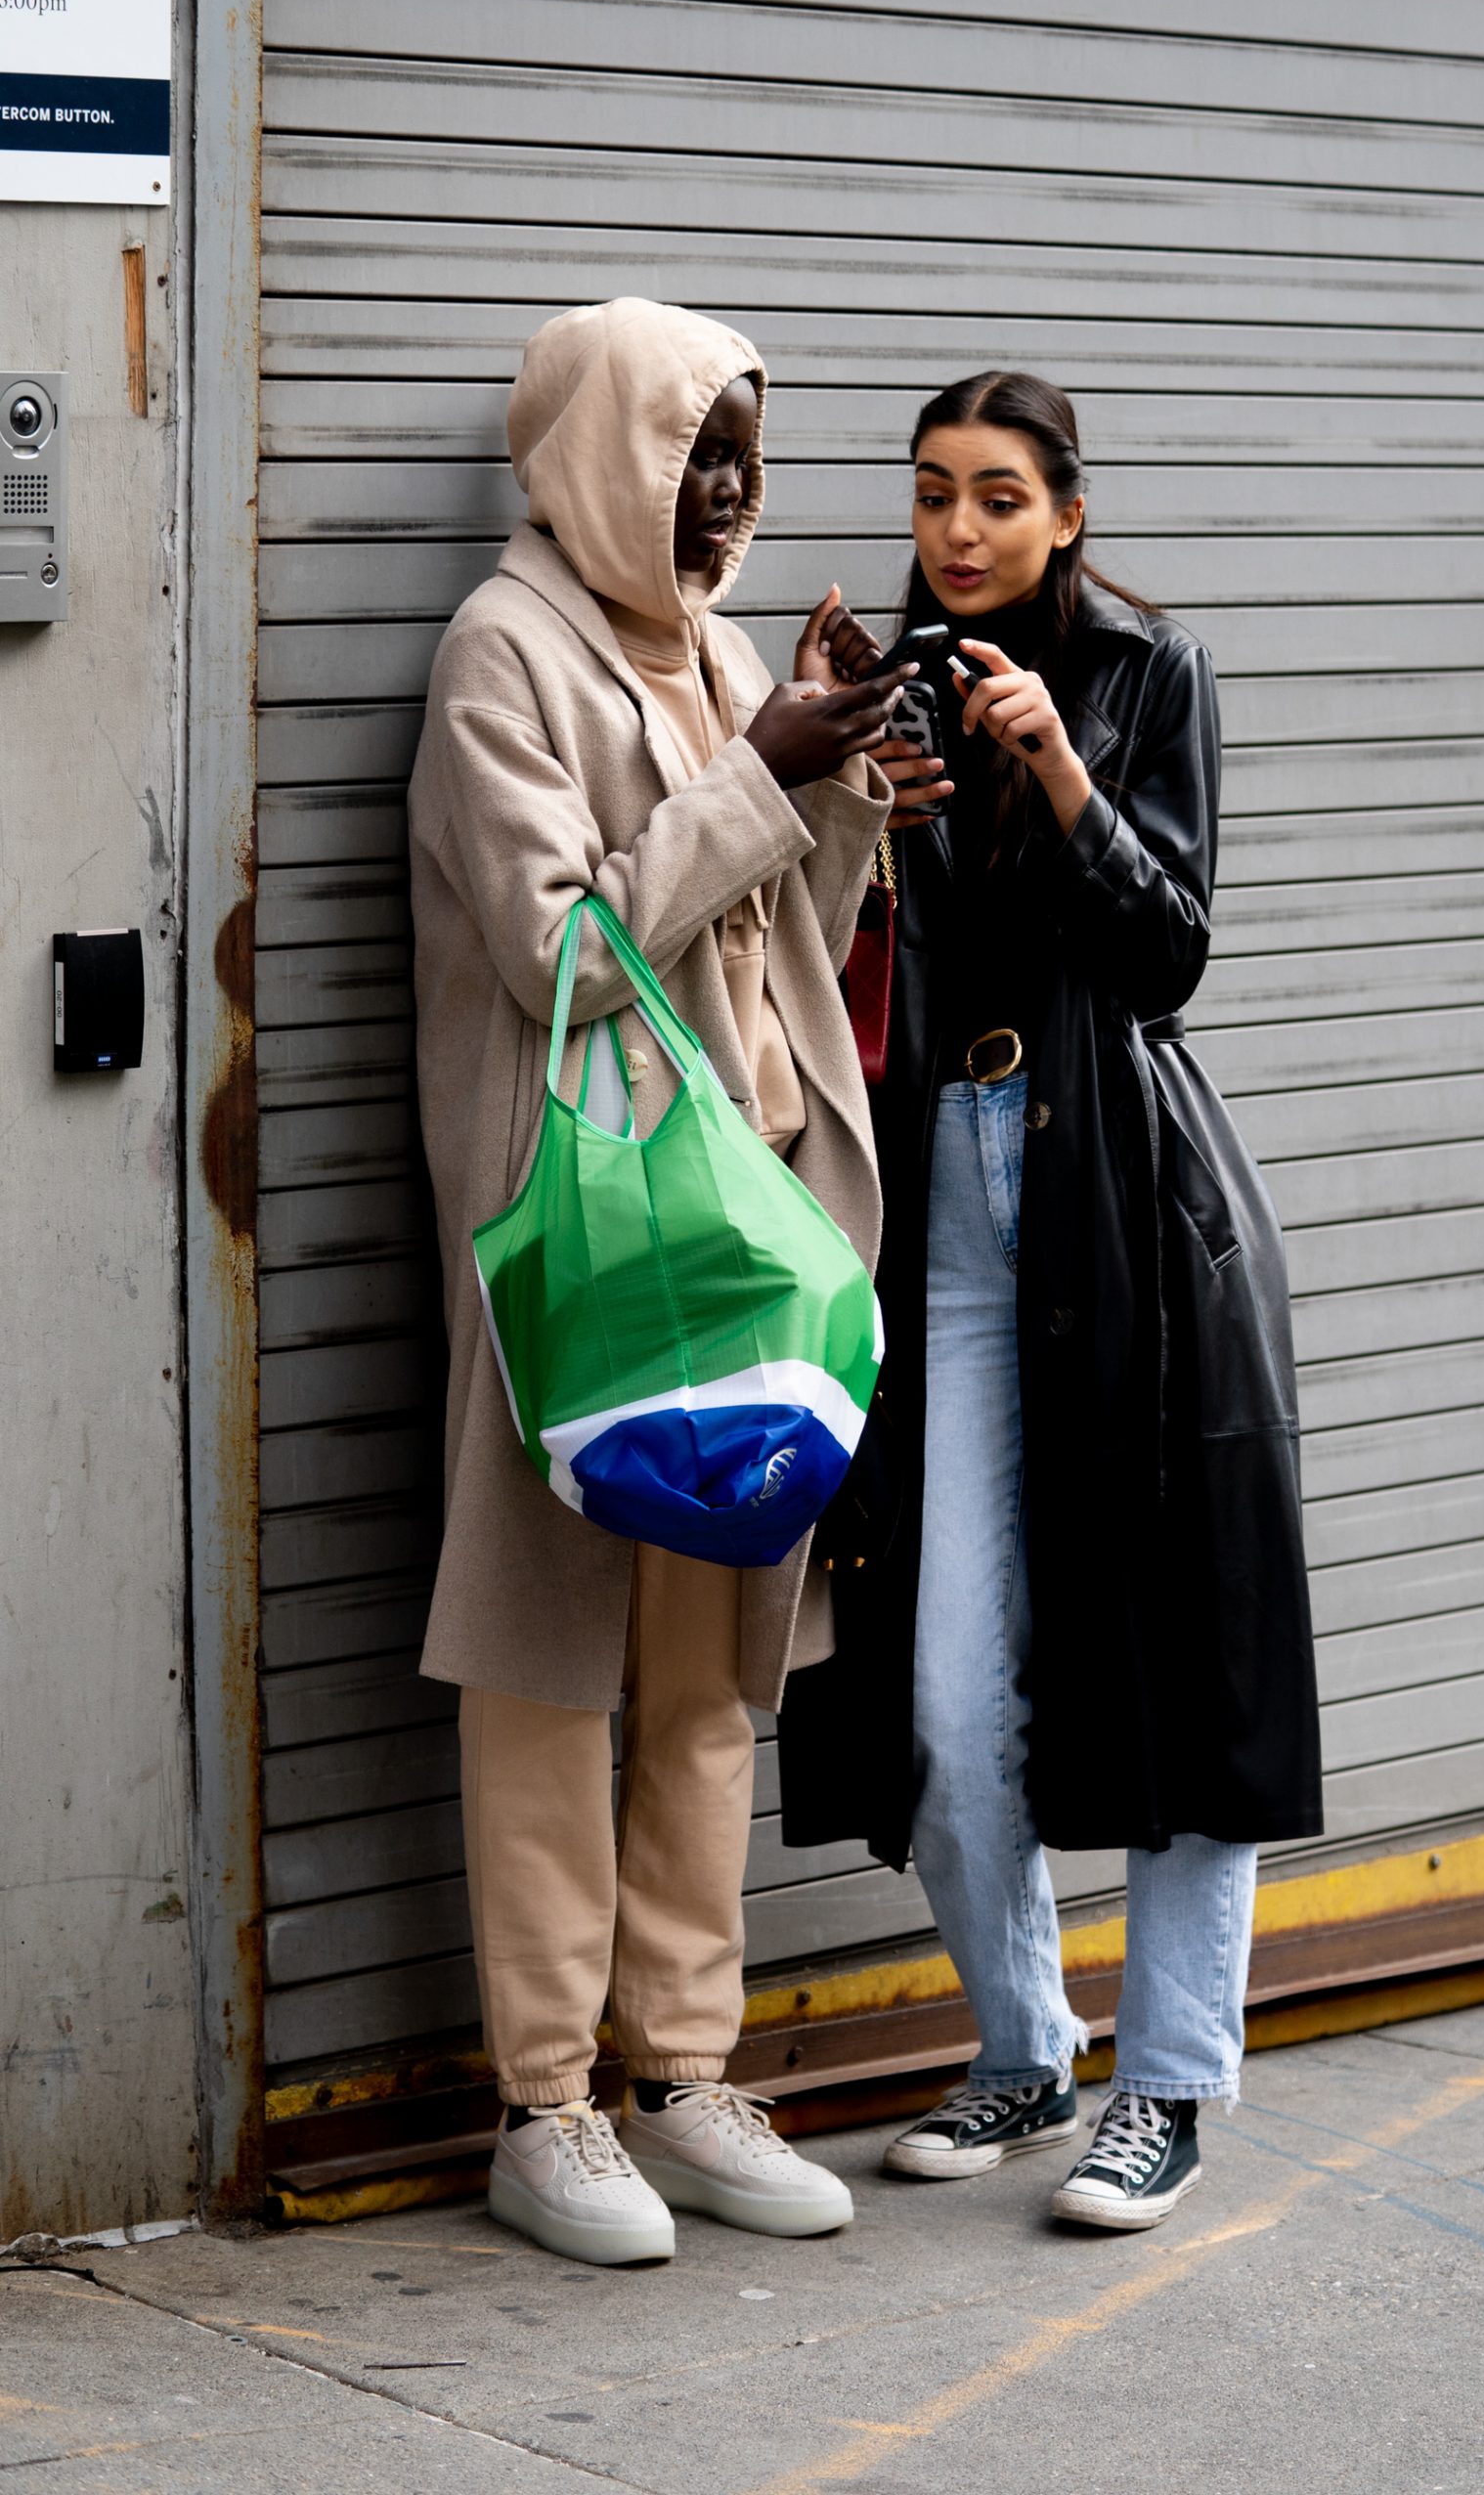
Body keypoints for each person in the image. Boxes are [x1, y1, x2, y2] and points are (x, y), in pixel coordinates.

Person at [780, 371, 1324, 2231]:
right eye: (933, 494)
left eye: (999, 498)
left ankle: (1166, 2086)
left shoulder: (1148, 679)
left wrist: (1061, 771)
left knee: (1178, 1664)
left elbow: (1169, 951)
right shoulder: (898, 687)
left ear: (1069, 515)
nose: (958, 531)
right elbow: (839, 959)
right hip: (941, 1202)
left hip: (1113, 1201)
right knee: (936, 1689)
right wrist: (848, 787)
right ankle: (1026, 2048)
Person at [408, 296, 907, 2266]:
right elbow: (563, 955)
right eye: (688, 451)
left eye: (737, 458)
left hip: (749, 1222)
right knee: (547, 1664)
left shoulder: (706, 648)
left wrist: (843, 783)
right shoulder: (499, 654)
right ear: (597, 451)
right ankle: (548, 2103)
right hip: (594, 1229)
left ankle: (685, 2070)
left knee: (714, 1671)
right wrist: (753, 769)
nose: (717, 495)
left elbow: (773, 941)